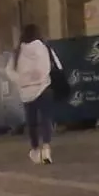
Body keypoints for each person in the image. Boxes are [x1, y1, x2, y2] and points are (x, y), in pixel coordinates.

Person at [12, 24, 60, 164]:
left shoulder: (18, 51)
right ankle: (46, 147)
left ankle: (34, 150)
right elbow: (47, 67)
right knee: (46, 118)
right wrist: (40, 79)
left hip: (26, 91)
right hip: (43, 88)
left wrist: (21, 80)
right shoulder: (43, 47)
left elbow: (10, 70)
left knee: (31, 123)